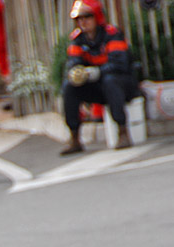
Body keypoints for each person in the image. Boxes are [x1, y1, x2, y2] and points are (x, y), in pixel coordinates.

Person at [60, 0, 136, 155]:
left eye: (87, 17)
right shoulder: (78, 39)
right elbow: (73, 62)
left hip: (122, 83)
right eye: (79, 19)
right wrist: (77, 73)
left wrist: (97, 72)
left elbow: (120, 64)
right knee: (69, 87)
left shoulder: (112, 34)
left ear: (97, 16)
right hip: (98, 86)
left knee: (110, 80)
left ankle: (123, 132)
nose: (83, 22)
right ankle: (75, 137)